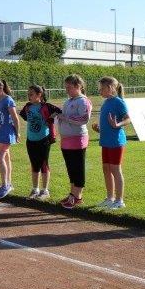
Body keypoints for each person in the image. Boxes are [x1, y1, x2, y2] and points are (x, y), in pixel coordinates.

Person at [92, 76, 131, 209]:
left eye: (102, 88)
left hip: (116, 142)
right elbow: (107, 125)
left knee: (115, 169)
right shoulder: (105, 103)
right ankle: (110, 198)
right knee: (106, 169)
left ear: (110, 88)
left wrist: (117, 124)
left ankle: (119, 201)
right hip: (106, 141)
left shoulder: (119, 102)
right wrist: (99, 129)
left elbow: (128, 119)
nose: (99, 91)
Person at [19, 85, 61, 201]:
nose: (29, 96)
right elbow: (25, 116)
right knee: (34, 165)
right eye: (28, 94)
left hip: (43, 140)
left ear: (39, 95)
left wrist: (50, 119)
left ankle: (45, 190)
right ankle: (35, 189)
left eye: (31, 94)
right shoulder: (28, 106)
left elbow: (59, 111)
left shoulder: (46, 106)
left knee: (44, 164)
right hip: (30, 140)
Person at [59, 75, 93, 209]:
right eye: (66, 87)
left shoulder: (84, 101)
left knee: (78, 168)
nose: (66, 90)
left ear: (78, 86)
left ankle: (77, 197)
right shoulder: (68, 101)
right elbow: (66, 117)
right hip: (66, 140)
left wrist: (65, 118)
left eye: (69, 87)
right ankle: (72, 194)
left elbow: (84, 119)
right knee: (71, 169)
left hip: (78, 139)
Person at [0, 80, 20, 199]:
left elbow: (15, 118)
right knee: (6, 158)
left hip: (7, 134)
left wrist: (18, 133)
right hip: (0, 133)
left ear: (0, 88)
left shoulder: (8, 100)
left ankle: (5, 185)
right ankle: (8, 183)